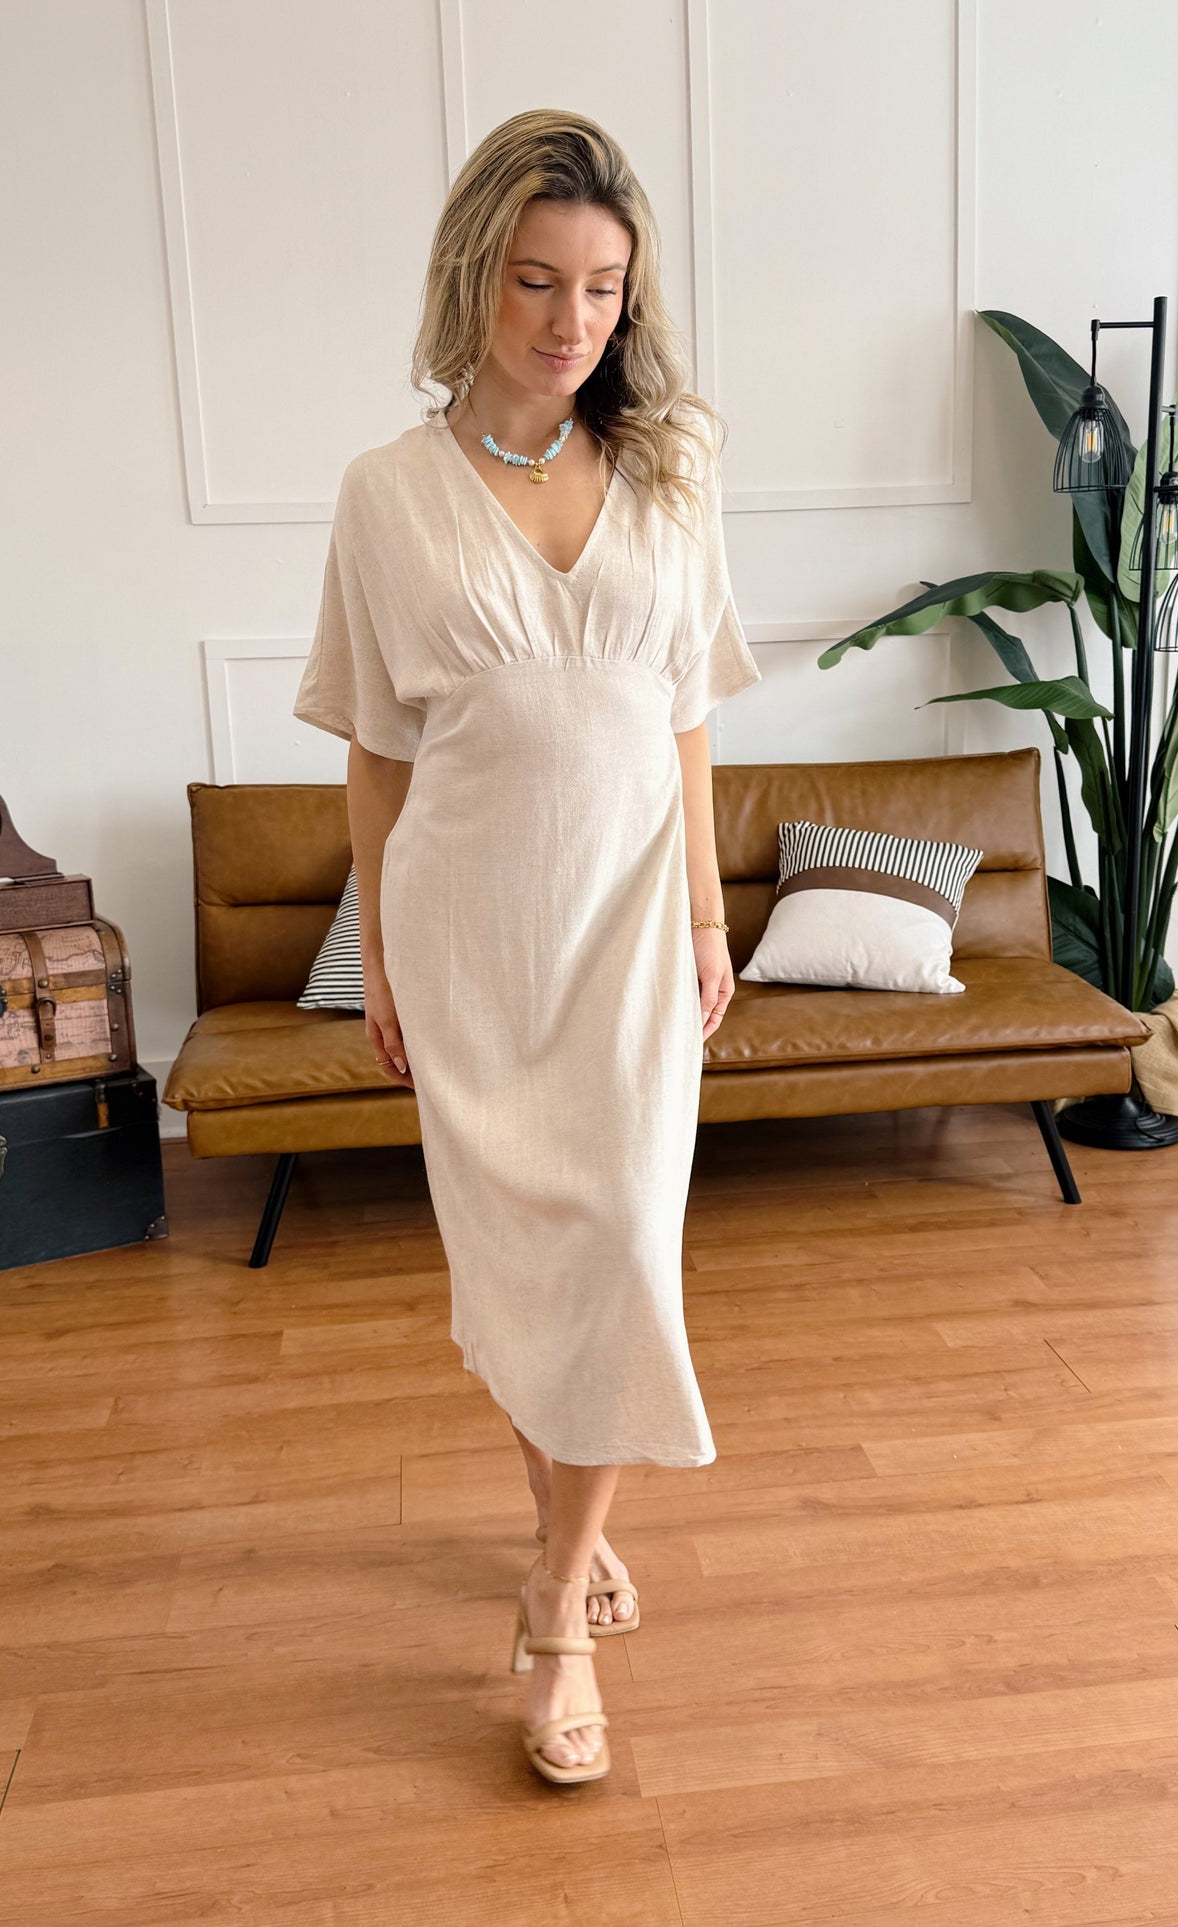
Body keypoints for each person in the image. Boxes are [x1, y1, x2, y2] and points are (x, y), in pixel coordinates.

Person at [292, 107, 761, 1785]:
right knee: (518, 1265)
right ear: (473, 277)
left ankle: (554, 1611)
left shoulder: (672, 468)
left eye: (603, 287)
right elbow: (375, 751)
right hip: (470, 931)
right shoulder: (385, 495)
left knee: (622, 1244)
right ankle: (572, 1520)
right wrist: (383, 959)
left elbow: (686, 711)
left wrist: (707, 912)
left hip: (631, 929)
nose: (572, 321)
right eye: (537, 280)